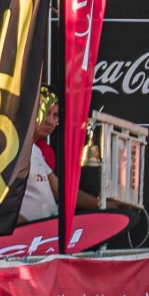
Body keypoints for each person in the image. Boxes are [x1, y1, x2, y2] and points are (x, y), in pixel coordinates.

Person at [20, 88, 100, 222]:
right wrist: (27, 231)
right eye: (45, 113)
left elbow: (60, 191)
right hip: (29, 238)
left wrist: (102, 204)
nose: (50, 122)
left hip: (44, 234)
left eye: (55, 115)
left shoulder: (37, 150)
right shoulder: (9, 149)